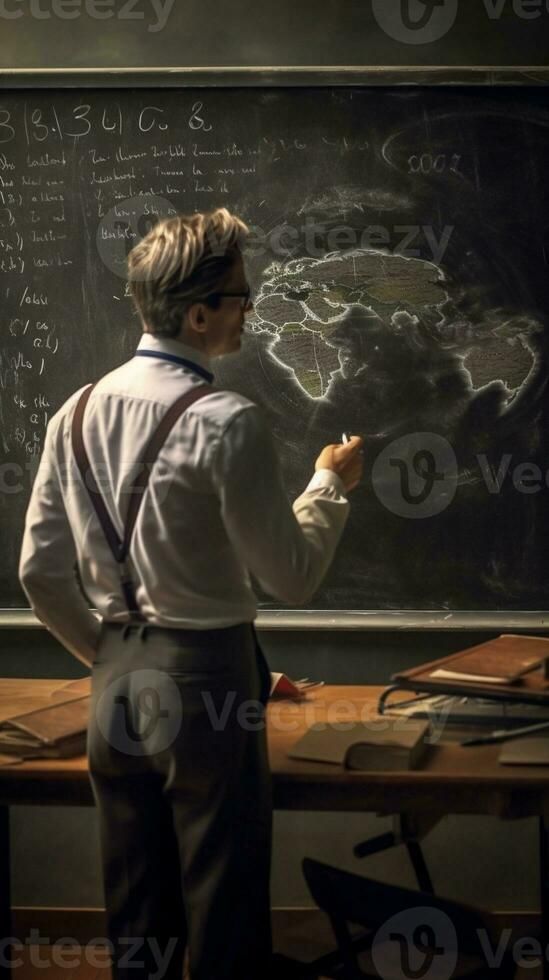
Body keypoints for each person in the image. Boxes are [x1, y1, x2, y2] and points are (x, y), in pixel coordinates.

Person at [19, 207, 364, 980]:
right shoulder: (225, 421)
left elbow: (39, 574)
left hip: (114, 680)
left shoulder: (73, 412)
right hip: (208, 677)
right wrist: (327, 484)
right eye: (239, 295)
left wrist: (112, 654)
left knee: (136, 907)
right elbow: (290, 576)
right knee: (222, 903)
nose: (249, 308)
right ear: (199, 314)